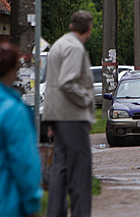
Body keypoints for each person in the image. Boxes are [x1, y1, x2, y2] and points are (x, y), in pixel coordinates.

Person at [43, 11, 96, 217]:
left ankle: (54, 213)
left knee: (61, 169)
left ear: (72, 25)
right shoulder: (75, 48)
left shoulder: (59, 44)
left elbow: (53, 83)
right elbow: (67, 82)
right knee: (80, 172)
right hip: (73, 117)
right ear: (89, 29)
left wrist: (51, 119)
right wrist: (86, 99)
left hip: (58, 115)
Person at [0, 42, 43, 217]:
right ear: (13, 70)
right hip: (8, 204)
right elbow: (25, 162)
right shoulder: (13, 111)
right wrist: (32, 201)